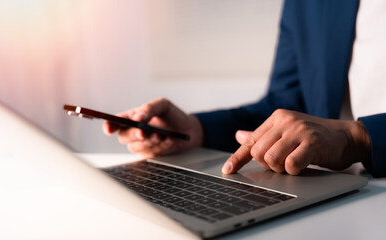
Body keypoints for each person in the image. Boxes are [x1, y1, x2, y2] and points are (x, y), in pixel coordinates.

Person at [103, 0, 386, 178]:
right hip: (340, 200)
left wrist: (358, 139)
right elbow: (286, 106)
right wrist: (195, 130)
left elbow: (334, 133)